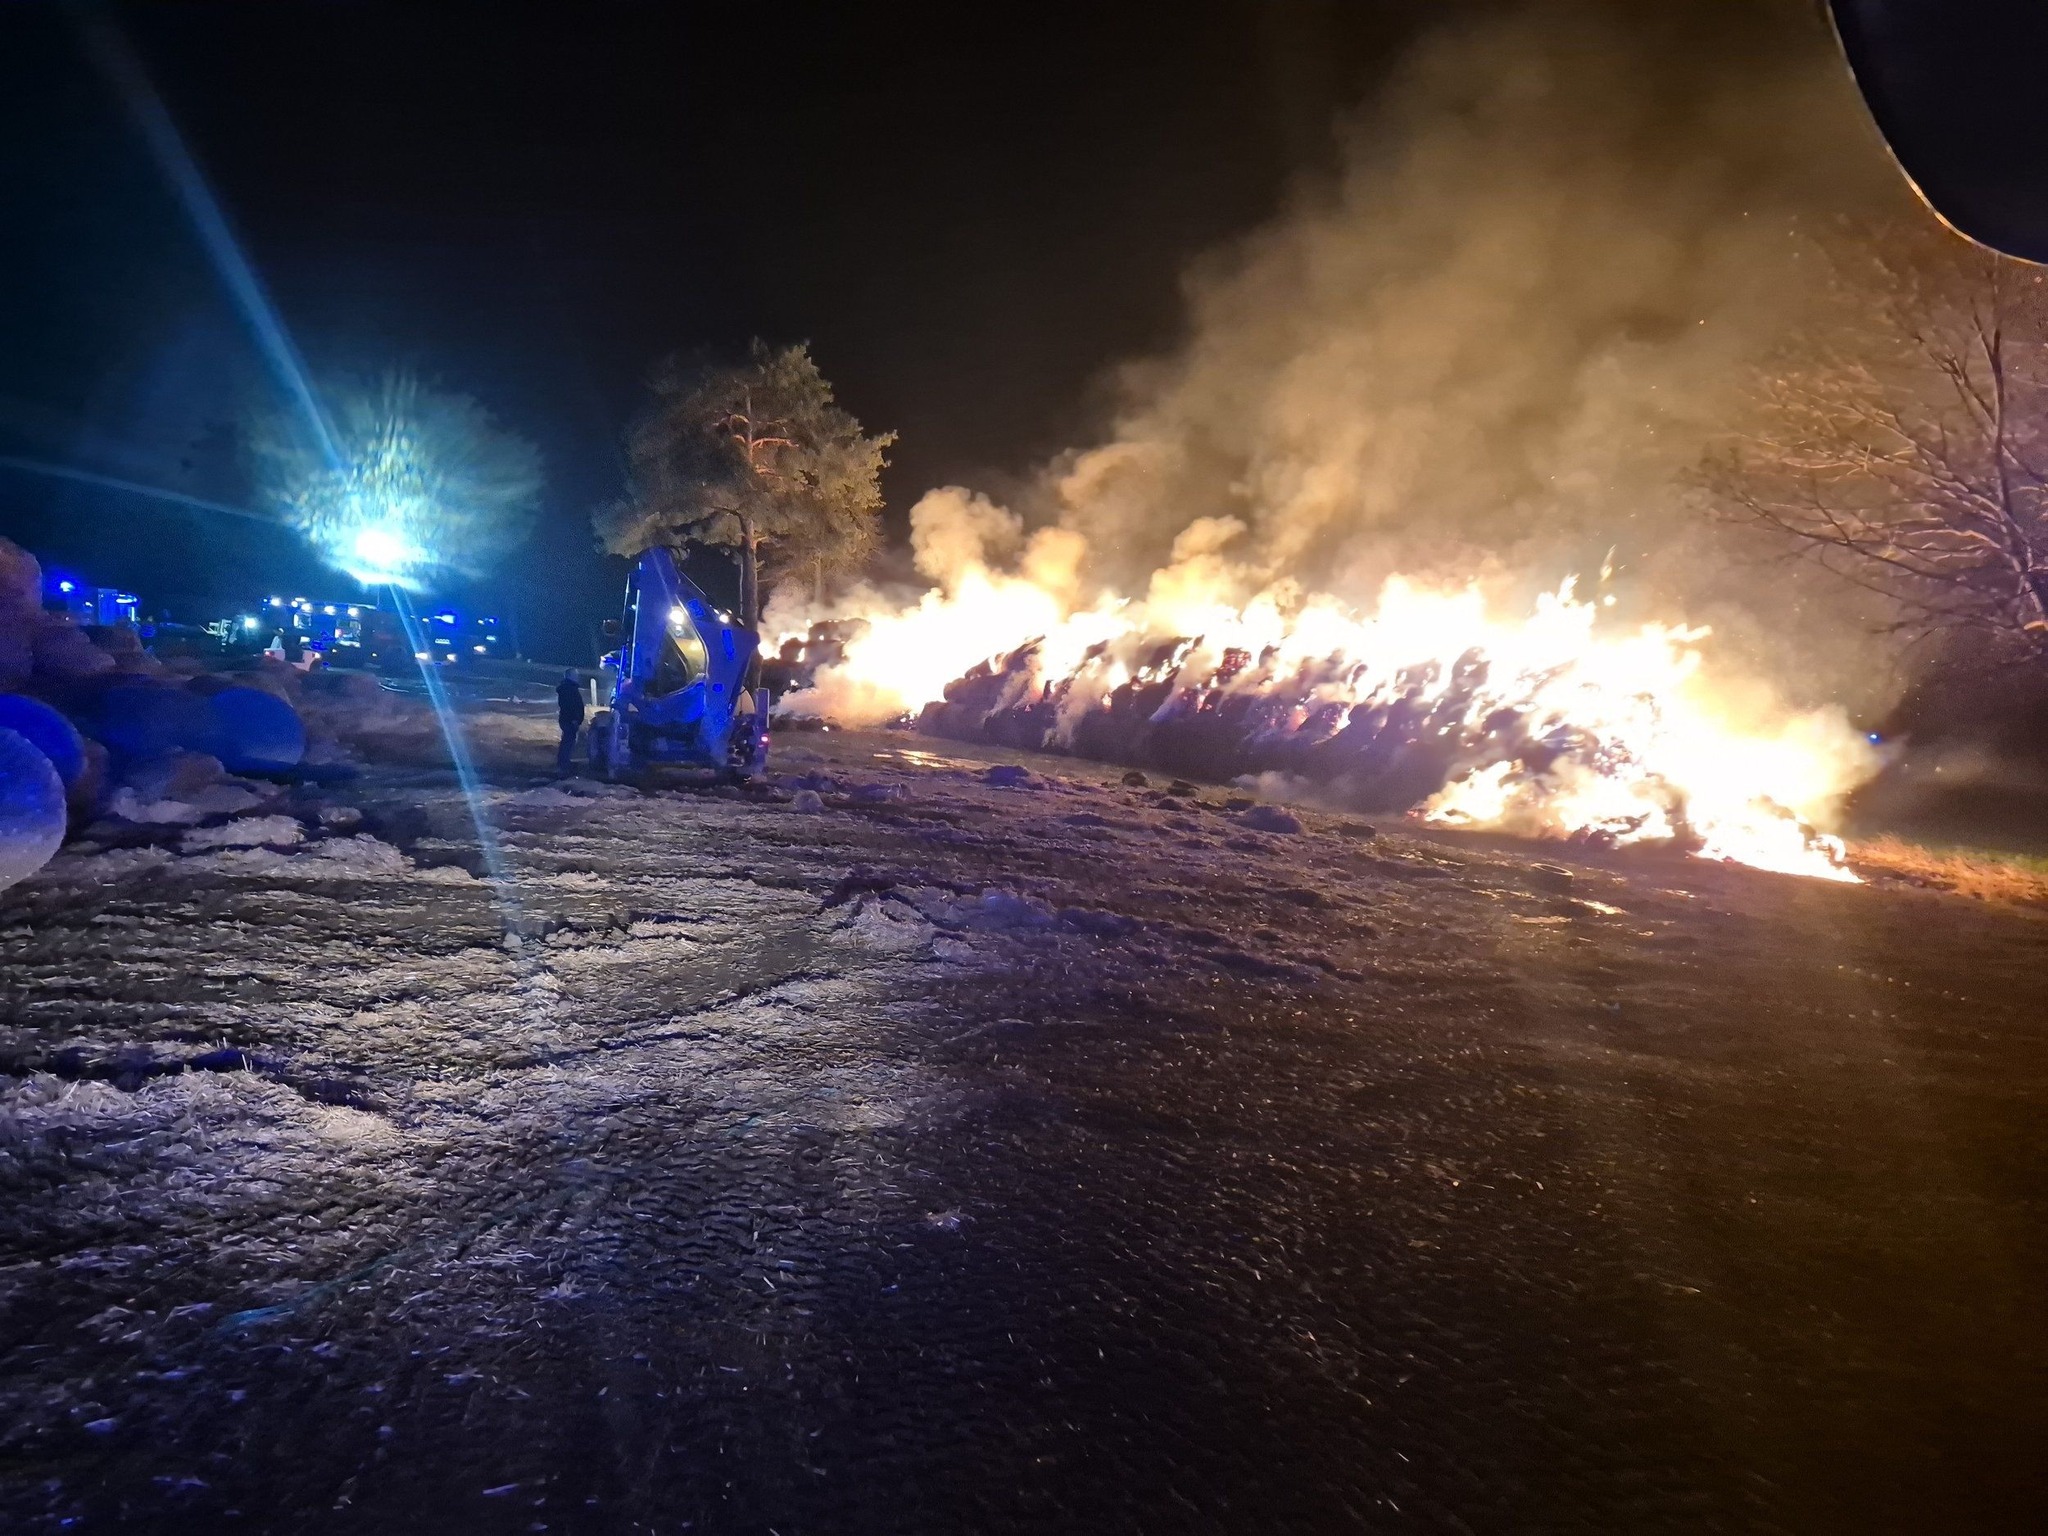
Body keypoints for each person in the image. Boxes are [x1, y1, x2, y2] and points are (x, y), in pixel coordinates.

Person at [556, 669, 585, 775]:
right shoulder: (569, 689)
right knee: (567, 742)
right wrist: (574, 719)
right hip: (569, 720)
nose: (578, 677)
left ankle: (563, 763)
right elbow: (569, 706)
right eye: (575, 675)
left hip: (569, 719)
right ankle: (563, 765)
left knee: (567, 741)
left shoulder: (569, 688)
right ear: (570, 676)